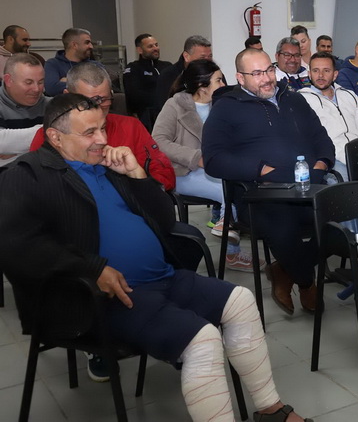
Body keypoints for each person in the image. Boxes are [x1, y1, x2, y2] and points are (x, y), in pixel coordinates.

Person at [0, 93, 314, 422]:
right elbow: (15, 245)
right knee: (203, 339)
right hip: (100, 297)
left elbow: (165, 221)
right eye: (90, 132)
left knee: (241, 301)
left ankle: (271, 409)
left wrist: (137, 175)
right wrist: (90, 269)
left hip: (162, 278)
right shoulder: (28, 175)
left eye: (103, 128)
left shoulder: (109, 167)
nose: (102, 139)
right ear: (55, 137)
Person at [203, 48, 335, 316]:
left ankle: (283, 269)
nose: (266, 78)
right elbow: (214, 159)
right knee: (284, 226)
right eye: (257, 73)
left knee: (342, 218)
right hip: (259, 193)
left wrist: (321, 165)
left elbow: (321, 138)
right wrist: (261, 170)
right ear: (240, 78)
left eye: (269, 70)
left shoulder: (294, 99)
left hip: (308, 186)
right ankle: (306, 281)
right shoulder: (226, 108)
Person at [152, 59, 261, 271]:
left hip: (215, 170)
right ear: (202, 86)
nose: (223, 85)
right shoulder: (175, 105)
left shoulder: (221, 105)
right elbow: (158, 141)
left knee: (241, 186)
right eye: (218, 80)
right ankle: (231, 246)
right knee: (228, 191)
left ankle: (227, 227)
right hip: (182, 172)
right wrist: (195, 157)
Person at [31, 62, 176, 192]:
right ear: (67, 96)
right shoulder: (52, 136)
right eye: (88, 102)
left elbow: (164, 175)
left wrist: (139, 178)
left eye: (104, 99)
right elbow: (36, 186)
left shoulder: (131, 127)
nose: (98, 107)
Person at [300, 51, 358, 181]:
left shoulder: (349, 95)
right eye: (316, 71)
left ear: (335, 75)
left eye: (326, 71)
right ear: (309, 74)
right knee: (344, 186)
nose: (320, 75)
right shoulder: (302, 100)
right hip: (333, 159)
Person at [1, 53, 49, 166]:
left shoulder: (51, 105)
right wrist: (50, 134)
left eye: (40, 82)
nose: (36, 89)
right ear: (8, 80)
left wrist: (14, 147)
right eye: (28, 82)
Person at [123, 33, 172, 131]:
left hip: (170, 113)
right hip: (147, 117)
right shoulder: (133, 68)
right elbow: (133, 95)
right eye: (150, 46)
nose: (155, 48)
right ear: (140, 50)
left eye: (156, 45)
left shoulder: (167, 66)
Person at [154, 35, 213, 113]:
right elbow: (165, 109)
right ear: (186, 56)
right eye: (202, 57)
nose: (208, 61)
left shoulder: (216, 75)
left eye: (210, 56)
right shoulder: (168, 76)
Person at [44, 27, 97, 96]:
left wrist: (69, 80)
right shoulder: (52, 64)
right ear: (74, 45)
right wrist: (88, 83)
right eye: (87, 43)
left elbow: (105, 85)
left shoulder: (95, 65)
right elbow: (52, 89)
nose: (91, 46)